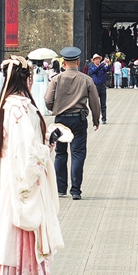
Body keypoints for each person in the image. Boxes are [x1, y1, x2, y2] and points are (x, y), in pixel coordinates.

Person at [0, 57, 64, 275]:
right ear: (25, 79)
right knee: (23, 215)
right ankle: (23, 271)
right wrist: (44, 150)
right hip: (22, 170)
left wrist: (46, 142)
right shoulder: (20, 108)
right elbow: (25, 147)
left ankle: (10, 270)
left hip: (14, 169)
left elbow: (28, 141)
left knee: (13, 215)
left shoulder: (10, 106)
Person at [44, 47, 101, 200]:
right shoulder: (86, 79)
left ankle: (60, 188)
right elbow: (95, 102)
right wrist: (96, 119)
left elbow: (48, 100)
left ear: (64, 63)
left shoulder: (56, 79)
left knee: (61, 154)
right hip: (79, 119)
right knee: (78, 154)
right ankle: (75, 190)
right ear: (78, 61)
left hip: (61, 120)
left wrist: (54, 108)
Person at [85, 54, 111, 124]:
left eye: (99, 59)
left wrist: (108, 64)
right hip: (95, 87)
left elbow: (107, 69)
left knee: (103, 104)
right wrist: (102, 64)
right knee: (95, 104)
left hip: (102, 86)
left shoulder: (102, 67)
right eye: (96, 59)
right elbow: (94, 70)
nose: (98, 60)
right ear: (93, 60)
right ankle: (95, 118)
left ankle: (104, 118)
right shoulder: (91, 67)